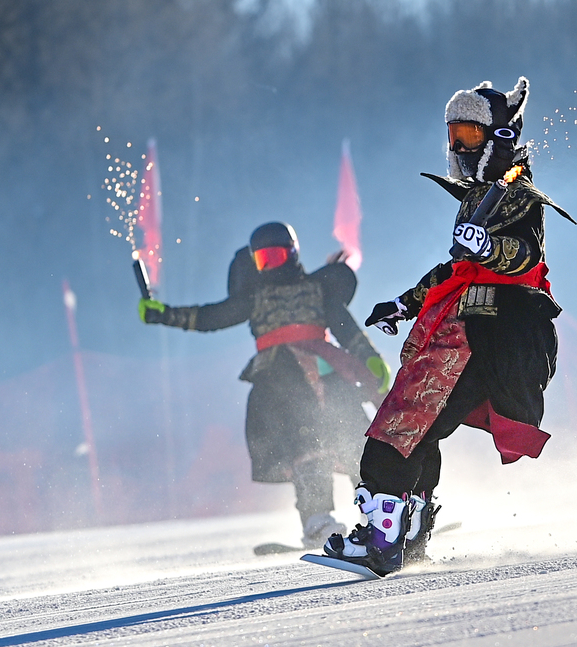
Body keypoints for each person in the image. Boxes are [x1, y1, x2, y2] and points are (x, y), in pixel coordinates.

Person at [322, 77, 577, 575]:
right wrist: (404, 302)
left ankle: (382, 537)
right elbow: (456, 270)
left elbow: (525, 255)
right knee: (423, 429)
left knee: (402, 423)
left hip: (488, 335)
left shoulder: (520, 197)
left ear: (500, 137)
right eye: (454, 134)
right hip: (466, 330)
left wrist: (488, 247)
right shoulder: (478, 197)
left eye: (471, 135)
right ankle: (410, 529)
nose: (459, 147)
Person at [139, 222, 391, 548]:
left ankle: (384, 516)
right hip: (281, 379)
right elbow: (212, 317)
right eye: (262, 260)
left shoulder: (318, 288)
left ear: (293, 253)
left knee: (359, 440)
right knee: (305, 447)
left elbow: (347, 328)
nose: (270, 266)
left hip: (328, 373)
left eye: (276, 256)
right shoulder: (254, 297)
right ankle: (319, 521)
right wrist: (164, 315)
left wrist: (368, 356)